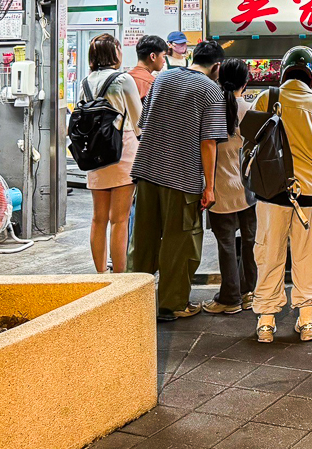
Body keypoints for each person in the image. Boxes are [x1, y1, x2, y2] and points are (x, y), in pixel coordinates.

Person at [129, 40, 228, 322]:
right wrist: (209, 186)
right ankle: (171, 304)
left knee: (143, 239)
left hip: (147, 170)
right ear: (217, 67)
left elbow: (144, 122)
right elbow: (209, 142)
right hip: (182, 178)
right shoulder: (211, 90)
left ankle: (133, 298)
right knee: (180, 242)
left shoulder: (163, 77)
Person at [251, 56, 312, 343]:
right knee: (309, 257)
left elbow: (250, 140)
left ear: (284, 72)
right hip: (308, 194)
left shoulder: (265, 98)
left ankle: (266, 322)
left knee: (268, 254)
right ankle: (307, 321)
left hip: (270, 193)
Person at [81, 34, 144, 274]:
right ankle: (119, 276)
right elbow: (138, 121)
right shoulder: (123, 79)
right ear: (114, 53)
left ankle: (100, 274)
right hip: (122, 151)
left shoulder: (86, 81)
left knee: (99, 218)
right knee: (120, 219)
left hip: (95, 153)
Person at [203, 58, 257, 315]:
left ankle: (229, 297)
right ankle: (250, 293)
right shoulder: (251, 109)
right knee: (250, 241)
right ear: (245, 82)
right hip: (248, 188)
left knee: (225, 243)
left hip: (219, 187)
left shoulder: (211, 107)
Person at [129, 35, 168, 100]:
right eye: (163, 56)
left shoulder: (127, 76)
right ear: (153, 56)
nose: (164, 61)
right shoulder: (151, 84)